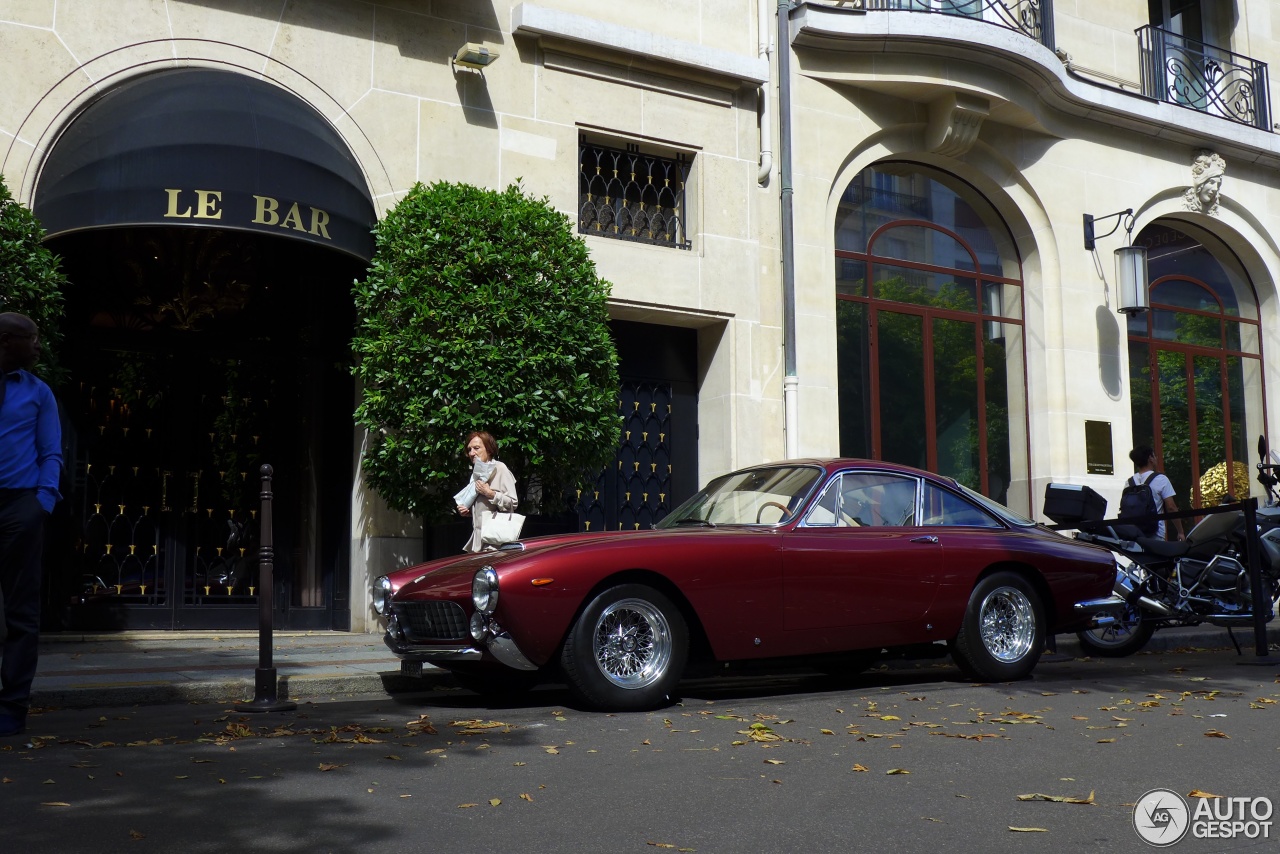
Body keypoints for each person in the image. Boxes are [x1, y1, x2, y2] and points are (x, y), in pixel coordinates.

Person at [0, 312, 63, 737]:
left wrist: (41, 502)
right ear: (7, 341)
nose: (39, 345)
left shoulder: (39, 392)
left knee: (21, 612)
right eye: (33, 337)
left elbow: (52, 452)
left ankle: (12, 709)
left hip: (20, 507)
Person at [455, 431, 518, 553]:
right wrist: (468, 512)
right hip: (478, 544)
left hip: (496, 544)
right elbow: (484, 510)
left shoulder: (500, 469)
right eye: (469, 449)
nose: (472, 453)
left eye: (476, 448)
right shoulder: (476, 474)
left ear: (488, 450)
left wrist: (490, 493)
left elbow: (513, 503)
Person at [1128, 446, 1184, 542]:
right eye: (1155, 456)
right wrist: (1180, 531)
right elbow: (1171, 507)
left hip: (1135, 534)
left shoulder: (1129, 482)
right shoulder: (1160, 479)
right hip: (1155, 533)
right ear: (1150, 458)